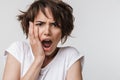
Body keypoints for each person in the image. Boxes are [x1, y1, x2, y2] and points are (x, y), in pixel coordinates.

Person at [3, 0, 84, 80]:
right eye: (40, 24)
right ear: (30, 28)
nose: (47, 32)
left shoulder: (70, 57)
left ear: (63, 30)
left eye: (54, 25)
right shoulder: (18, 51)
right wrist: (38, 59)